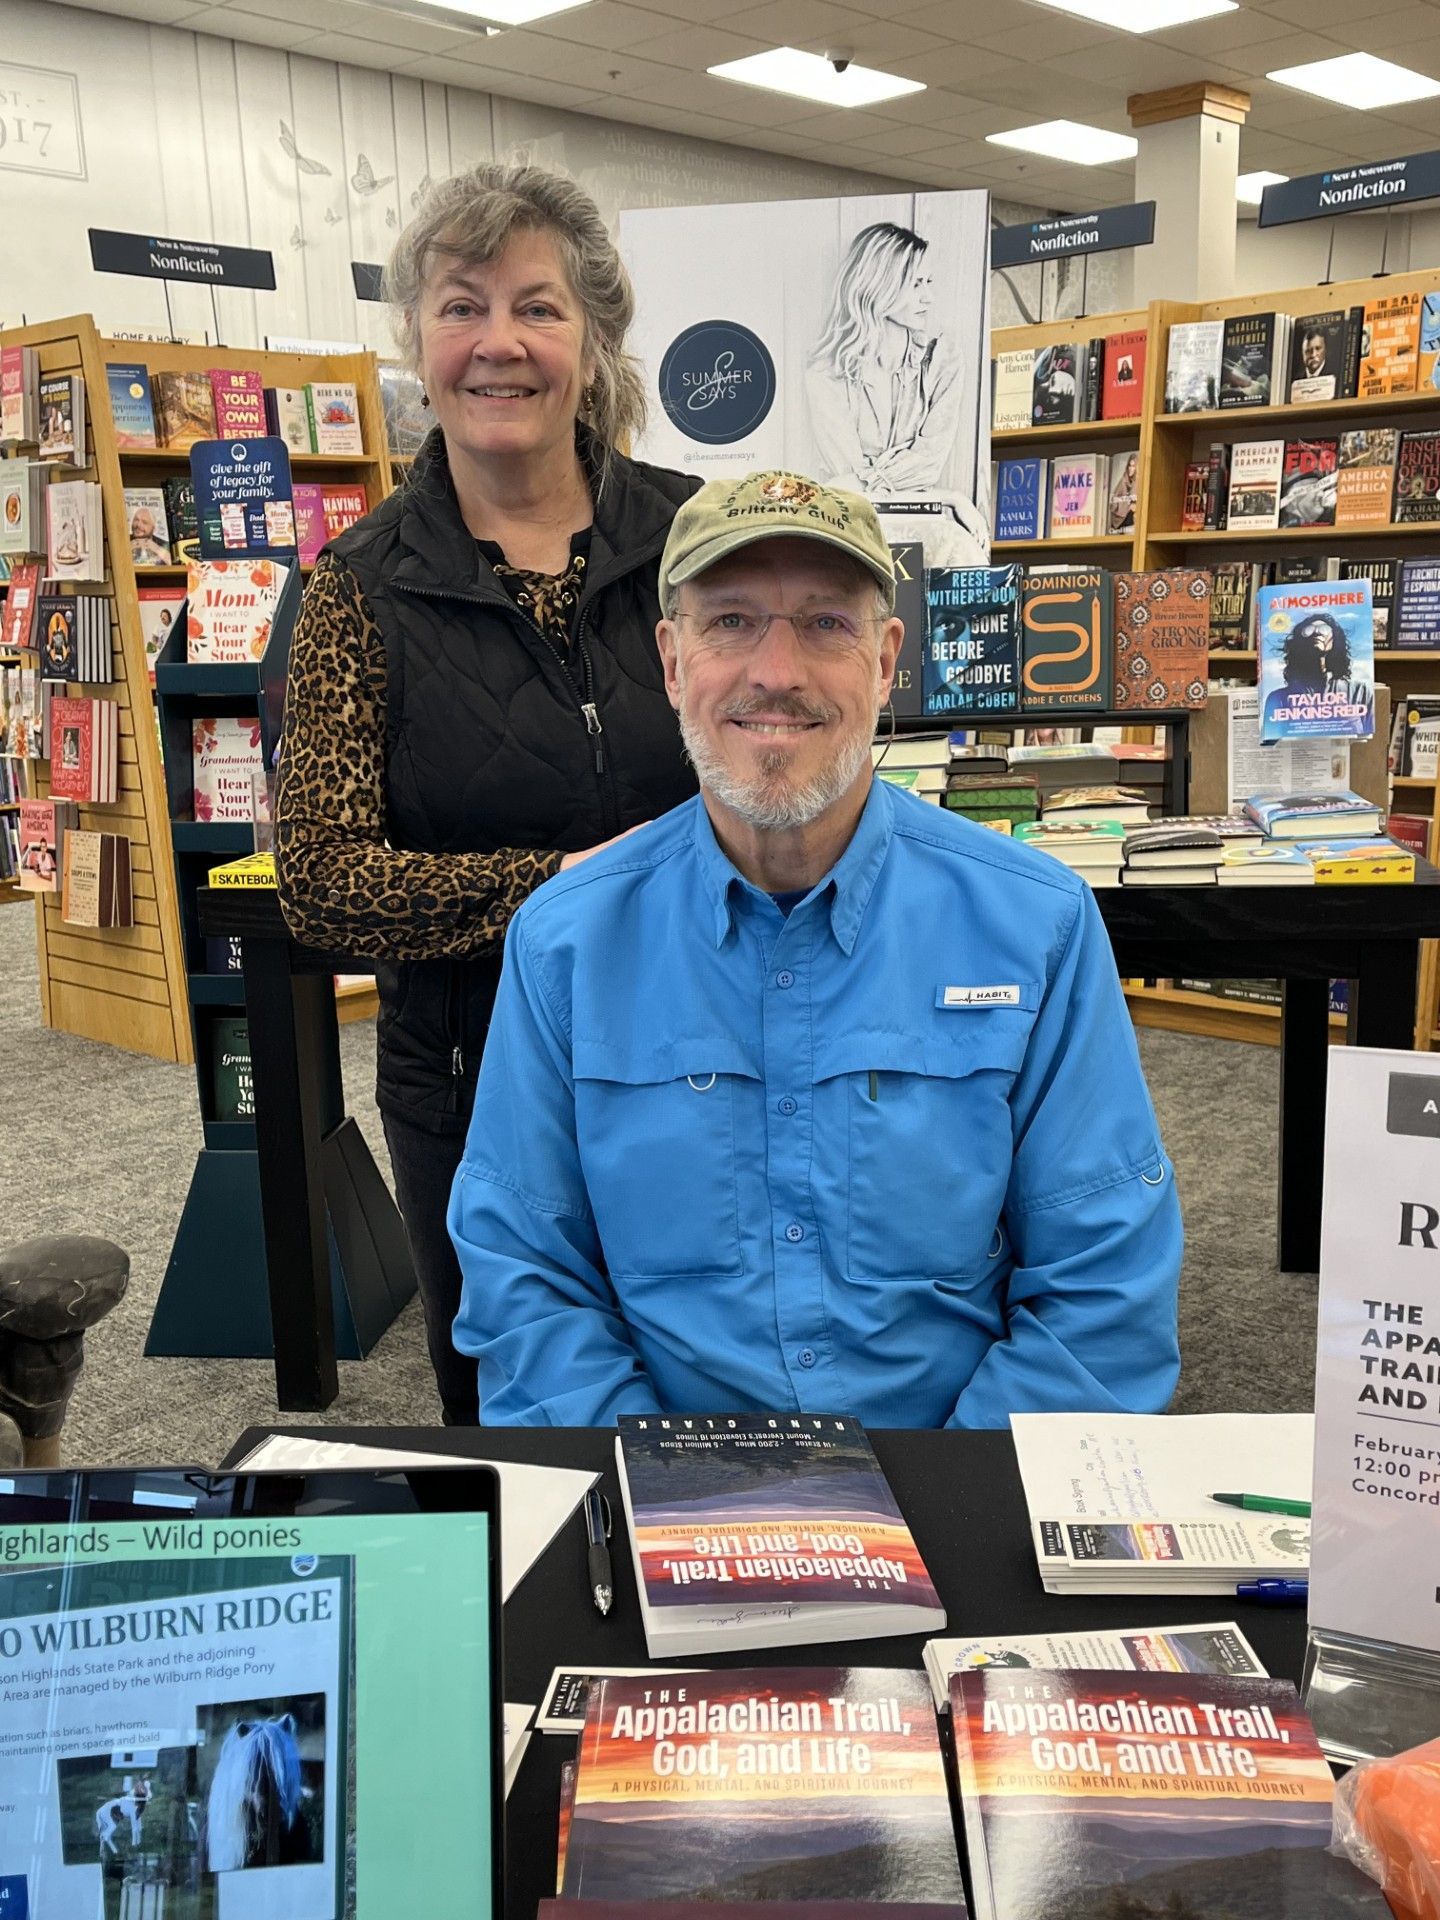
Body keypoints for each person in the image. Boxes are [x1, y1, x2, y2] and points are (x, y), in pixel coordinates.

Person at [450, 469, 1183, 1428]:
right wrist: (664, 1493)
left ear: (885, 663)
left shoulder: (1034, 925)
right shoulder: (567, 944)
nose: (778, 671)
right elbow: (524, 1279)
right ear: (673, 663)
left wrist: (948, 1510)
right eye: (732, 621)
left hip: (953, 1481)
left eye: (826, 624)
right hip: (661, 1487)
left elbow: (1106, 1281)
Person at [273, 163, 700, 1423]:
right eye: (462, 307)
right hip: (470, 1084)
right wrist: (554, 892)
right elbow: (323, 882)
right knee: (512, 1406)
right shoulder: (356, 589)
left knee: (714, 1385)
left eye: (538, 307)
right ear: (417, 339)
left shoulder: (699, 542)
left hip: (710, 1055)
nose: (498, 344)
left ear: (596, 337)